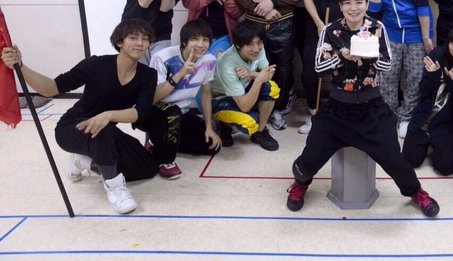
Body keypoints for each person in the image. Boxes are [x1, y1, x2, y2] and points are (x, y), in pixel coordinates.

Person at [286, 0, 440, 217]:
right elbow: (318, 67)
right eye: (347, 2)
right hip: (338, 108)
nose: (353, 7)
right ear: (340, 6)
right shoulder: (331, 30)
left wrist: (368, 56)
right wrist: (342, 57)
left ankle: (416, 192)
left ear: (367, 3)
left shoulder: (377, 28)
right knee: (310, 156)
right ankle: (300, 184)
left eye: (359, 2)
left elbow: (387, 64)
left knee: (395, 160)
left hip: (372, 109)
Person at [1, 19, 158, 214]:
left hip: (105, 127)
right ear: (120, 42)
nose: (140, 43)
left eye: (145, 39)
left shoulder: (148, 75)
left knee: (147, 167)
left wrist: (108, 115)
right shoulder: (96, 64)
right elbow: (52, 88)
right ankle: (114, 188)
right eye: (133, 38)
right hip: (72, 128)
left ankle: (83, 161)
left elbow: (140, 112)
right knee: (102, 131)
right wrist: (21, 66)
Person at [363, 0, 433, 139]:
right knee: (386, 77)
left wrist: (426, 37)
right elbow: (373, 11)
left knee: (415, 78)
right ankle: (389, 117)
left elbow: (423, 7)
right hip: (390, 35)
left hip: (415, 34)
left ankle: (405, 118)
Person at [232, 0, 301, 131]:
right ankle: (253, 107)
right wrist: (260, 8)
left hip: (283, 22)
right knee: (252, 67)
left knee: (283, 68)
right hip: (254, 23)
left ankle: (278, 108)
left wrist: (273, 1)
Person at [136, 19, 221, 180]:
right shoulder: (162, 57)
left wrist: (209, 127)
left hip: (182, 112)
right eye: (195, 39)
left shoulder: (209, 60)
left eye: (205, 40)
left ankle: (157, 142)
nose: (201, 44)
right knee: (173, 112)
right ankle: (165, 160)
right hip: (155, 111)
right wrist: (181, 73)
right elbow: (153, 97)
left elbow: (205, 93)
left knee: (211, 146)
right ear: (184, 41)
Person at [298, 0, 355, 134]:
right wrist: (320, 24)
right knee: (310, 73)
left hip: (341, 26)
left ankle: (339, 114)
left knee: (342, 70)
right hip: (314, 26)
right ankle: (314, 114)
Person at [402, 23, 453, 176]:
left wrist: (452, 82)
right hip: (423, 118)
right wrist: (433, 75)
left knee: (446, 168)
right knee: (409, 161)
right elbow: (423, 91)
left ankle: (436, 143)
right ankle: (426, 140)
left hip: (447, 123)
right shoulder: (437, 55)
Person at [211, 20, 280, 151]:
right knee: (250, 122)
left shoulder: (258, 49)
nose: (256, 48)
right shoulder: (228, 64)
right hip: (221, 98)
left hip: (242, 89)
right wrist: (258, 79)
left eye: (259, 42)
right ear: (237, 45)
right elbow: (244, 106)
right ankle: (222, 124)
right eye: (249, 44)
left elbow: (268, 73)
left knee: (272, 88)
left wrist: (251, 74)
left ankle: (260, 132)